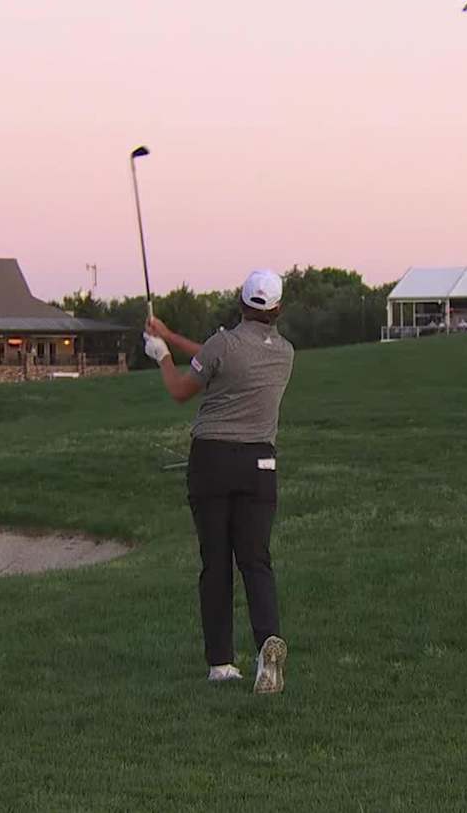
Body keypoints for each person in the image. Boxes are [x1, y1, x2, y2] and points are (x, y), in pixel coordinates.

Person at [143, 269, 295, 694]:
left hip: (212, 461)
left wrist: (161, 354)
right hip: (260, 465)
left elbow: (181, 388)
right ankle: (267, 645)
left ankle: (221, 663)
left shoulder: (223, 345)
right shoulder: (285, 353)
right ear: (278, 309)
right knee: (256, 561)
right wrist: (171, 335)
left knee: (216, 563)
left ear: (240, 301)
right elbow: (219, 359)